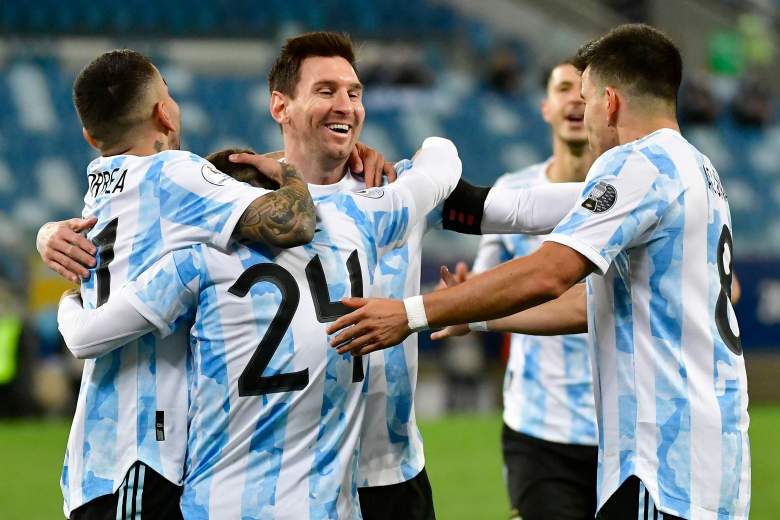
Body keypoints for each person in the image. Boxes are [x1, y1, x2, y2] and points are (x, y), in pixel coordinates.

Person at [328, 24, 750, 520]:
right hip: (706, 455)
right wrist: (401, 176)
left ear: (610, 102)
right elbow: (522, 213)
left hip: (665, 466)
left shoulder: (640, 165)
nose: (584, 111)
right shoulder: (693, 169)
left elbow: (550, 272)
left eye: (588, 98)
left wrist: (409, 313)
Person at [58, 135, 462, 518]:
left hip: (214, 501)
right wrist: (328, 161)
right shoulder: (350, 223)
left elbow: (83, 336)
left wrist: (69, 295)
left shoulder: (194, 261)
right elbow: (441, 163)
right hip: (322, 502)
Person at [49, 49, 317, 520]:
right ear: (163, 111)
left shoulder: (99, 185)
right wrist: (293, 175)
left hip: (98, 453)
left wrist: (45, 237)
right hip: (139, 457)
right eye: (169, 94)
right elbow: (294, 222)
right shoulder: (173, 174)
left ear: (92, 137)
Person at [463, 58, 599, 520]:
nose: (575, 99)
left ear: (605, 103)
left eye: (585, 89)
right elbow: (482, 284)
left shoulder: (636, 192)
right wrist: (466, 293)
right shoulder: (512, 192)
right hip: (538, 426)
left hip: (629, 425)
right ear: (545, 107)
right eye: (563, 88)